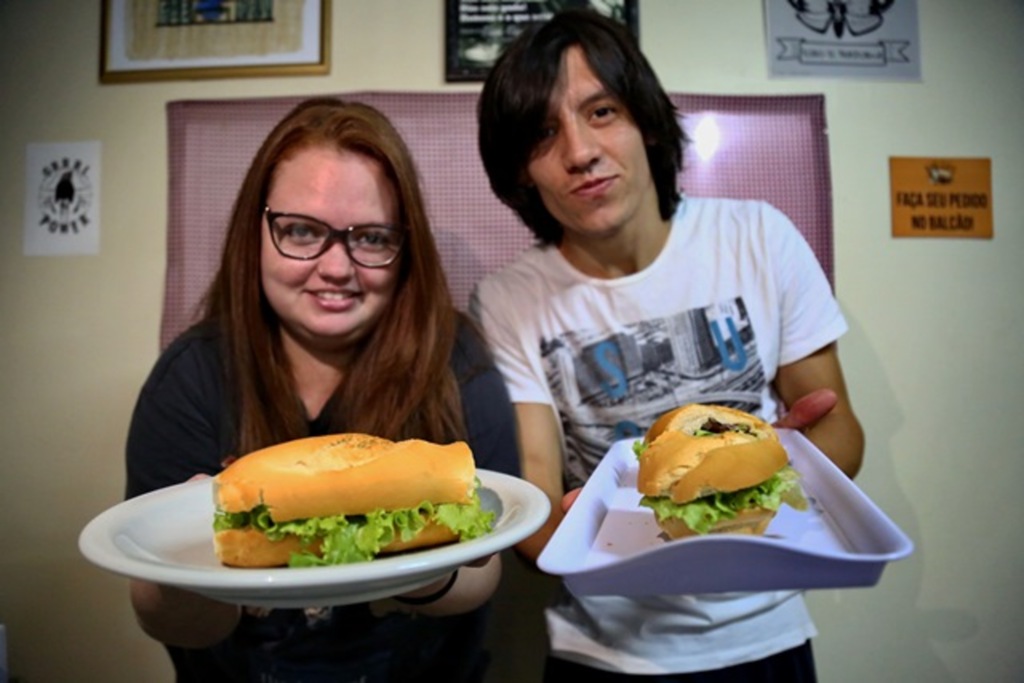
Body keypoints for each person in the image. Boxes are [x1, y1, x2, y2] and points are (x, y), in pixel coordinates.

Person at [471, 8, 864, 681]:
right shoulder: (508, 299)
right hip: (602, 645)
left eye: (601, 112)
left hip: (765, 637)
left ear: (647, 122)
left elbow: (842, 438)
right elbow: (536, 513)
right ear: (521, 172)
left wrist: (783, 457)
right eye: (543, 133)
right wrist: (561, 524)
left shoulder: (758, 237)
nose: (579, 152)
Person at [125, 98, 519, 682]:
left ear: (405, 247)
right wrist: (186, 563)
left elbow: (487, 565)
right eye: (302, 231)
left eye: (371, 237)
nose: (336, 267)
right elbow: (166, 619)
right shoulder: (191, 377)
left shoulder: (456, 362)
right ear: (254, 231)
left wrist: (422, 559)